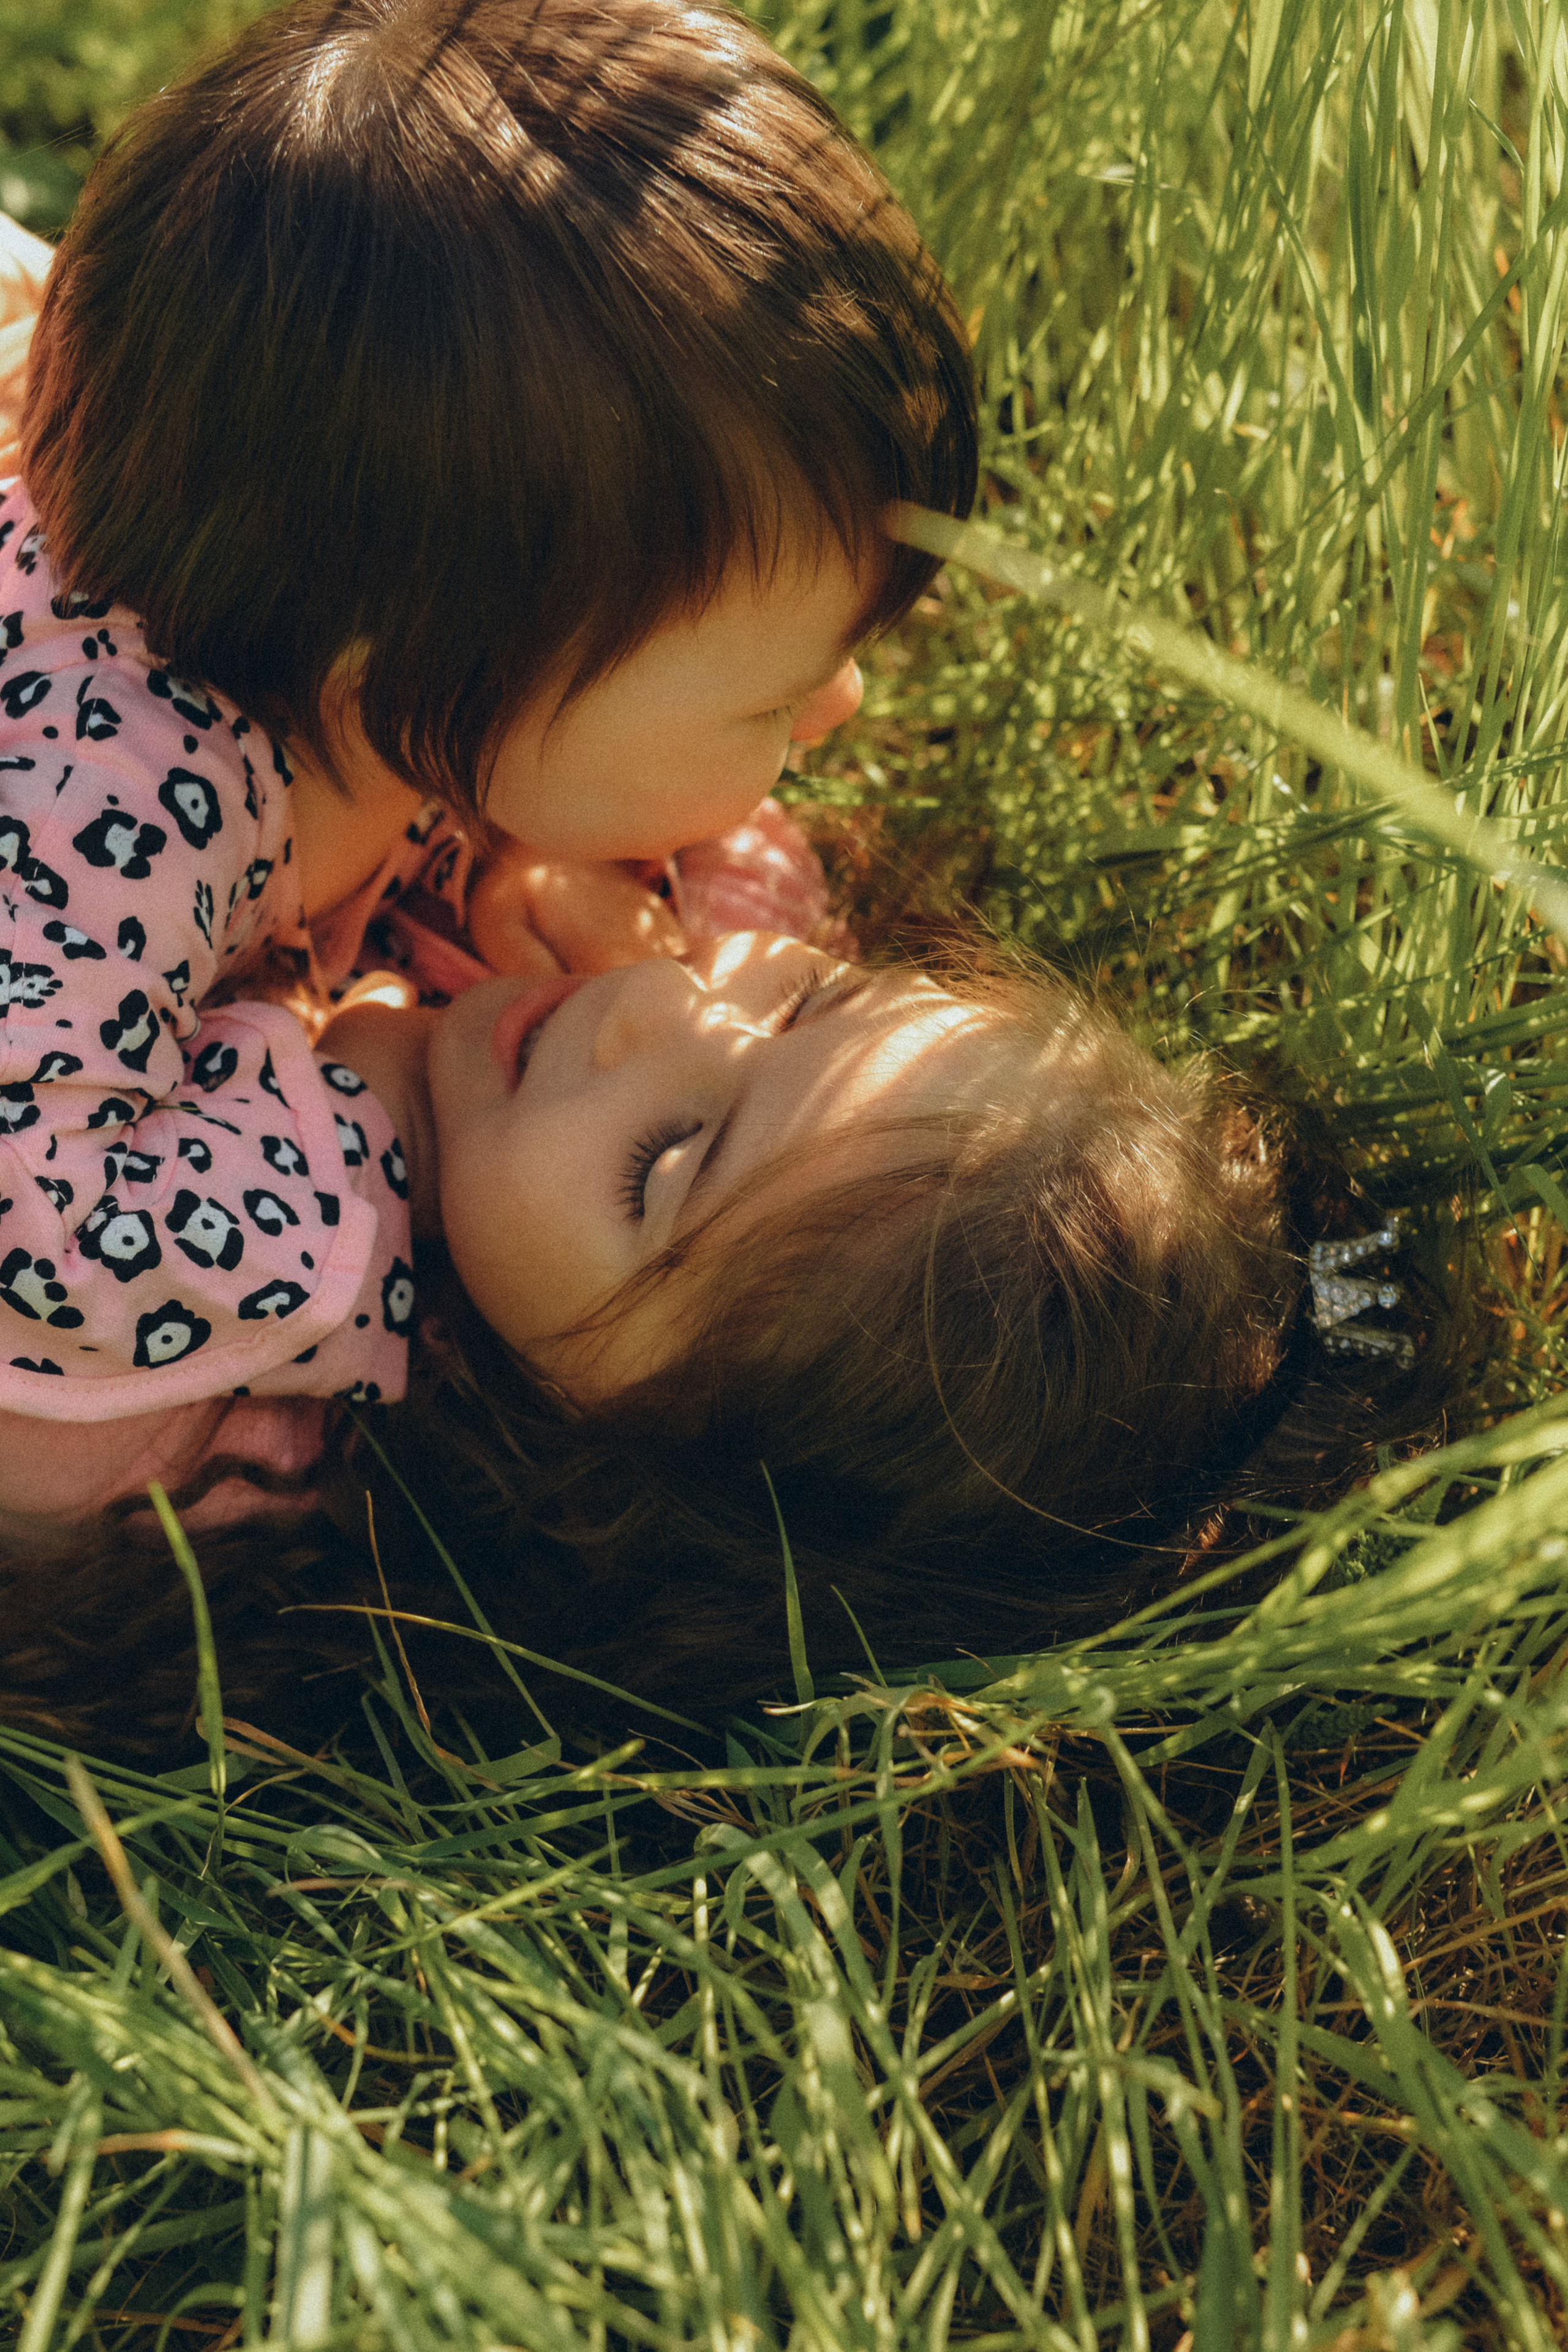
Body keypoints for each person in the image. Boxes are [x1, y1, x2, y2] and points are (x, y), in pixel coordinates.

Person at [0, 0, 976, 1455]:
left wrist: (552, 883)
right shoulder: (106, 817)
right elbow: (45, 1238)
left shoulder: (352, 635)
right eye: (774, 700)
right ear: (415, 674)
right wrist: (373, 1124)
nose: (838, 711)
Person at [0, 925, 1451, 1757]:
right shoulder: (535, 1166)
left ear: (594, 1467)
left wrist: (364, 1059)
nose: (651, 1004)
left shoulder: (173, 1415)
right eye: (804, 993)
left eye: (670, 1164)